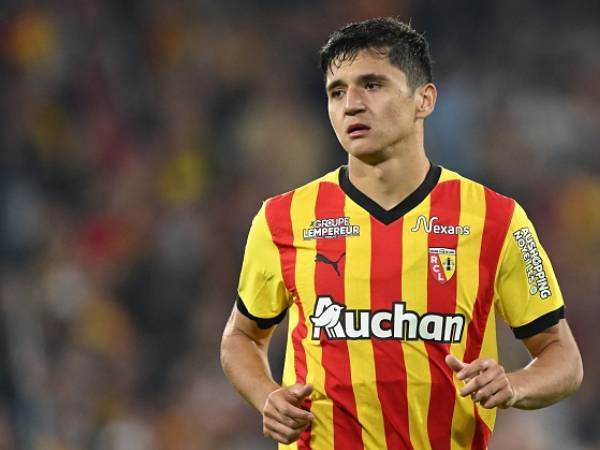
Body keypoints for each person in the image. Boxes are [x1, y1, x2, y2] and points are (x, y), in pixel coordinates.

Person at [220, 17, 583, 450]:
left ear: (424, 99)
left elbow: (563, 356)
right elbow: (241, 336)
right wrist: (266, 395)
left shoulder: (497, 219)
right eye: (337, 92)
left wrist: (514, 385)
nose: (351, 104)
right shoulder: (283, 218)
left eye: (372, 85)